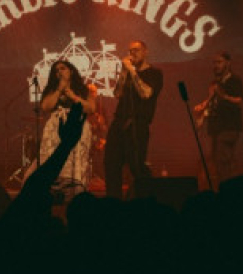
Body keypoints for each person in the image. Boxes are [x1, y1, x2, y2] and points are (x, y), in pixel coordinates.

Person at [104, 40, 163, 199]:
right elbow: (117, 94)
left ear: (145, 52)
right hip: (119, 122)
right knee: (111, 163)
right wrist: (124, 72)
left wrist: (132, 71)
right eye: (130, 51)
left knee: (136, 165)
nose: (132, 54)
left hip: (138, 123)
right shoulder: (128, 74)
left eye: (136, 50)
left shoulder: (155, 73)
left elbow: (146, 94)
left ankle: (145, 199)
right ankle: (113, 200)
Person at [38, 60, 96, 194]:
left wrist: (72, 96)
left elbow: (91, 108)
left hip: (77, 125)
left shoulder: (83, 89)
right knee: (55, 158)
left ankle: (76, 192)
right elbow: (46, 107)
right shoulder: (52, 89)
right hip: (55, 128)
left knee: (76, 159)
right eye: (56, 70)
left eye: (63, 68)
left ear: (71, 71)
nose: (59, 72)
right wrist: (59, 89)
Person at [193, 52, 243, 185]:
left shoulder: (234, 80)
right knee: (217, 161)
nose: (216, 66)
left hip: (229, 126)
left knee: (223, 160)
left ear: (228, 63)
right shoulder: (215, 83)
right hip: (216, 127)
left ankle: (228, 189)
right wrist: (202, 110)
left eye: (219, 62)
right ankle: (225, 187)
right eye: (214, 63)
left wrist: (224, 96)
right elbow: (212, 101)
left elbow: (239, 100)